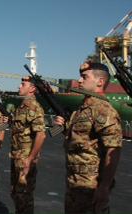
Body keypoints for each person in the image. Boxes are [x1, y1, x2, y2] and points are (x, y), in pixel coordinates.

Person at [54, 61, 122, 214]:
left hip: (91, 186)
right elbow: (79, 139)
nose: (79, 80)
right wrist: (63, 128)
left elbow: (114, 149)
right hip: (74, 182)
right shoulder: (82, 110)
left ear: (100, 82)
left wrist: (104, 187)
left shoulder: (103, 110)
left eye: (84, 77)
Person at [10, 76, 46, 214]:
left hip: (25, 158)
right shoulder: (22, 106)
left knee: (24, 196)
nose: (19, 86)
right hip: (17, 155)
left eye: (23, 84)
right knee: (16, 193)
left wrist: (30, 159)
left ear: (32, 89)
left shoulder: (33, 107)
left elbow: (41, 135)